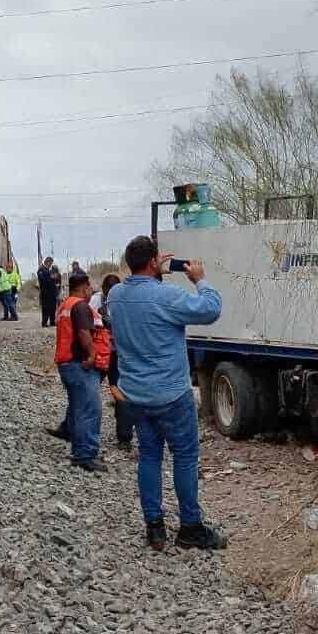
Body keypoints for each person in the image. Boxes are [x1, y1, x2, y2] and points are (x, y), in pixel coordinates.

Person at [105, 235, 226, 550]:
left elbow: (137, 292)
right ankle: (190, 527)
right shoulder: (167, 296)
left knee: (149, 456)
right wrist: (199, 280)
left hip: (136, 396)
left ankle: (155, 528)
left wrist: (151, 271)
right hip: (171, 395)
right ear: (152, 261)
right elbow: (211, 309)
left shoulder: (115, 295)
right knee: (184, 458)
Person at [54, 271, 105, 472]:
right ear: (84, 286)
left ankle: (79, 450)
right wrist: (92, 355)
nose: (90, 290)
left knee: (78, 408)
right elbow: (84, 332)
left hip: (66, 362)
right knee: (90, 409)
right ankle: (85, 454)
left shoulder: (64, 305)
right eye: (89, 287)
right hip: (78, 364)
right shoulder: (80, 306)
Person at [92, 274, 134, 450]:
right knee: (120, 393)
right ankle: (124, 438)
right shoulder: (123, 299)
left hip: (109, 353)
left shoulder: (98, 300)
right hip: (109, 353)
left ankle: (124, 437)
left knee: (90, 390)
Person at [37, 256, 62, 327]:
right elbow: (43, 280)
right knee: (46, 308)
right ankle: (44, 322)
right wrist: (51, 278)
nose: (50, 265)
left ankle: (52, 321)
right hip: (45, 293)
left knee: (53, 308)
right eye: (50, 263)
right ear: (47, 262)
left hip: (52, 293)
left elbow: (56, 280)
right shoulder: (41, 270)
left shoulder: (49, 270)